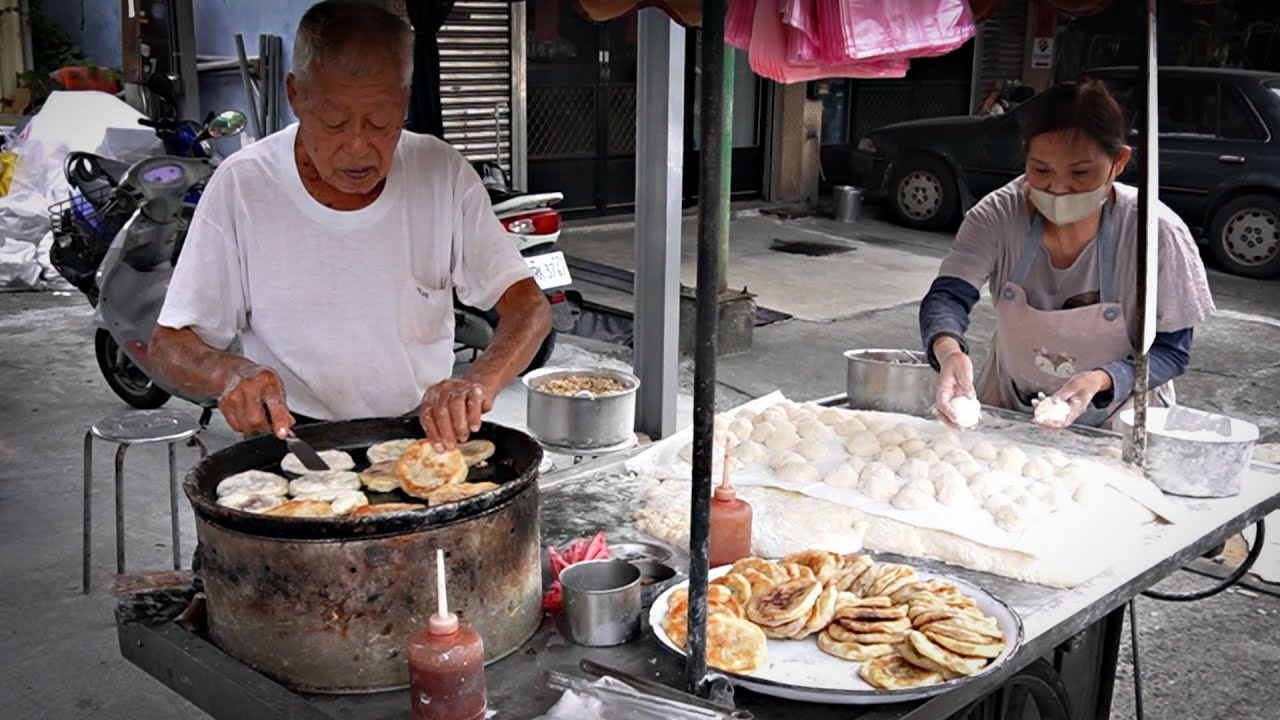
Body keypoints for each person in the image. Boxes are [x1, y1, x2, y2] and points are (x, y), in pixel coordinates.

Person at [149, 0, 551, 450]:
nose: (358, 148)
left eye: (380, 121)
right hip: (294, 440)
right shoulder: (243, 186)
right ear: (295, 95)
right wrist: (231, 373)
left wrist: (478, 381)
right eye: (335, 122)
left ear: (404, 100)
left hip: (419, 437)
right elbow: (169, 344)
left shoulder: (442, 175)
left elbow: (529, 307)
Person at [919, 79, 1215, 430]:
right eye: (1041, 170)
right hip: (1012, 405)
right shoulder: (997, 215)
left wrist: (1101, 379)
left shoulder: (1156, 233)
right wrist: (950, 351)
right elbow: (948, 297)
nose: (1058, 188)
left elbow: (1172, 351)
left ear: (1118, 161)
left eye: (1080, 173)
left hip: (1121, 418)